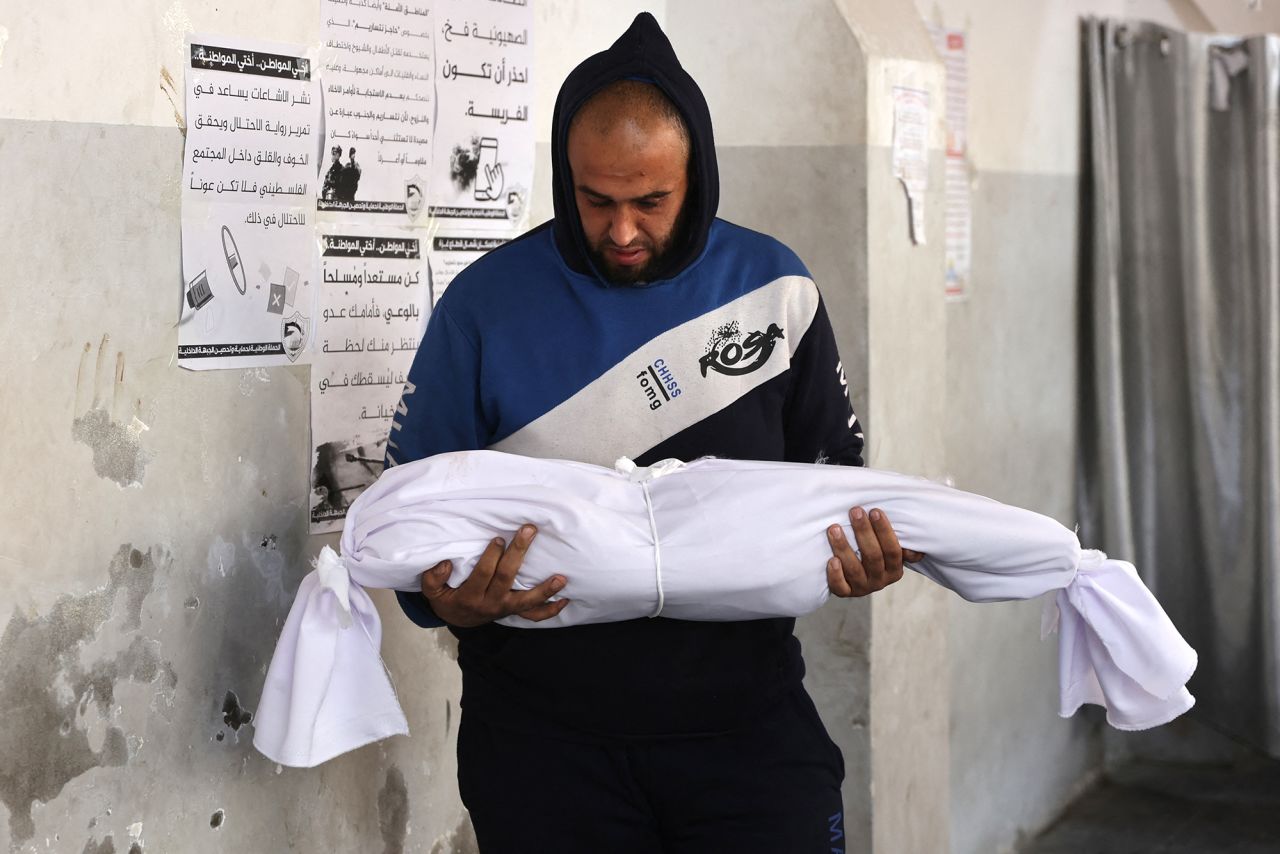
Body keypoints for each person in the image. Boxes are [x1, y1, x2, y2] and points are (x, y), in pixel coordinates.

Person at [387, 13, 919, 852]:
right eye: (596, 201)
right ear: (566, 177)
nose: (623, 231)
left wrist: (864, 555)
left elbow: (838, 479)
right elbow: (406, 506)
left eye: (650, 201)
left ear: (697, 176)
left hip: (747, 735)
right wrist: (439, 595)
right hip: (542, 744)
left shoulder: (773, 291)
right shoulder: (485, 306)